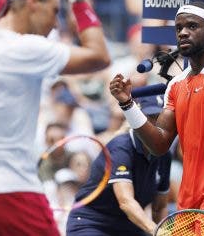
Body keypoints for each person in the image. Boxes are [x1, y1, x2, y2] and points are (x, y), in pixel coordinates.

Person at [0, 0, 110, 235]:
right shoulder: (24, 47)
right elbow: (99, 55)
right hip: (9, 195)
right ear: (32, 2)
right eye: (53, 11)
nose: (55, 24)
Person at [109, 1, 204, 236]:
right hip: (190, 195)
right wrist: (128, 105)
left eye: (192, 26)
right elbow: (159, 144)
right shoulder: (176, 84)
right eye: (178, 28)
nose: (183, 32)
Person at [66, 95, 172, 236]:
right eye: (150, 116)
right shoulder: (121, 147)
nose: (156, 122)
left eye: (161, 117)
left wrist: (164, 230)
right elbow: (126, 202)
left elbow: (159, 207)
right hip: (91, 223)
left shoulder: (164, 155)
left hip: (129, 227)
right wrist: (157, 231)